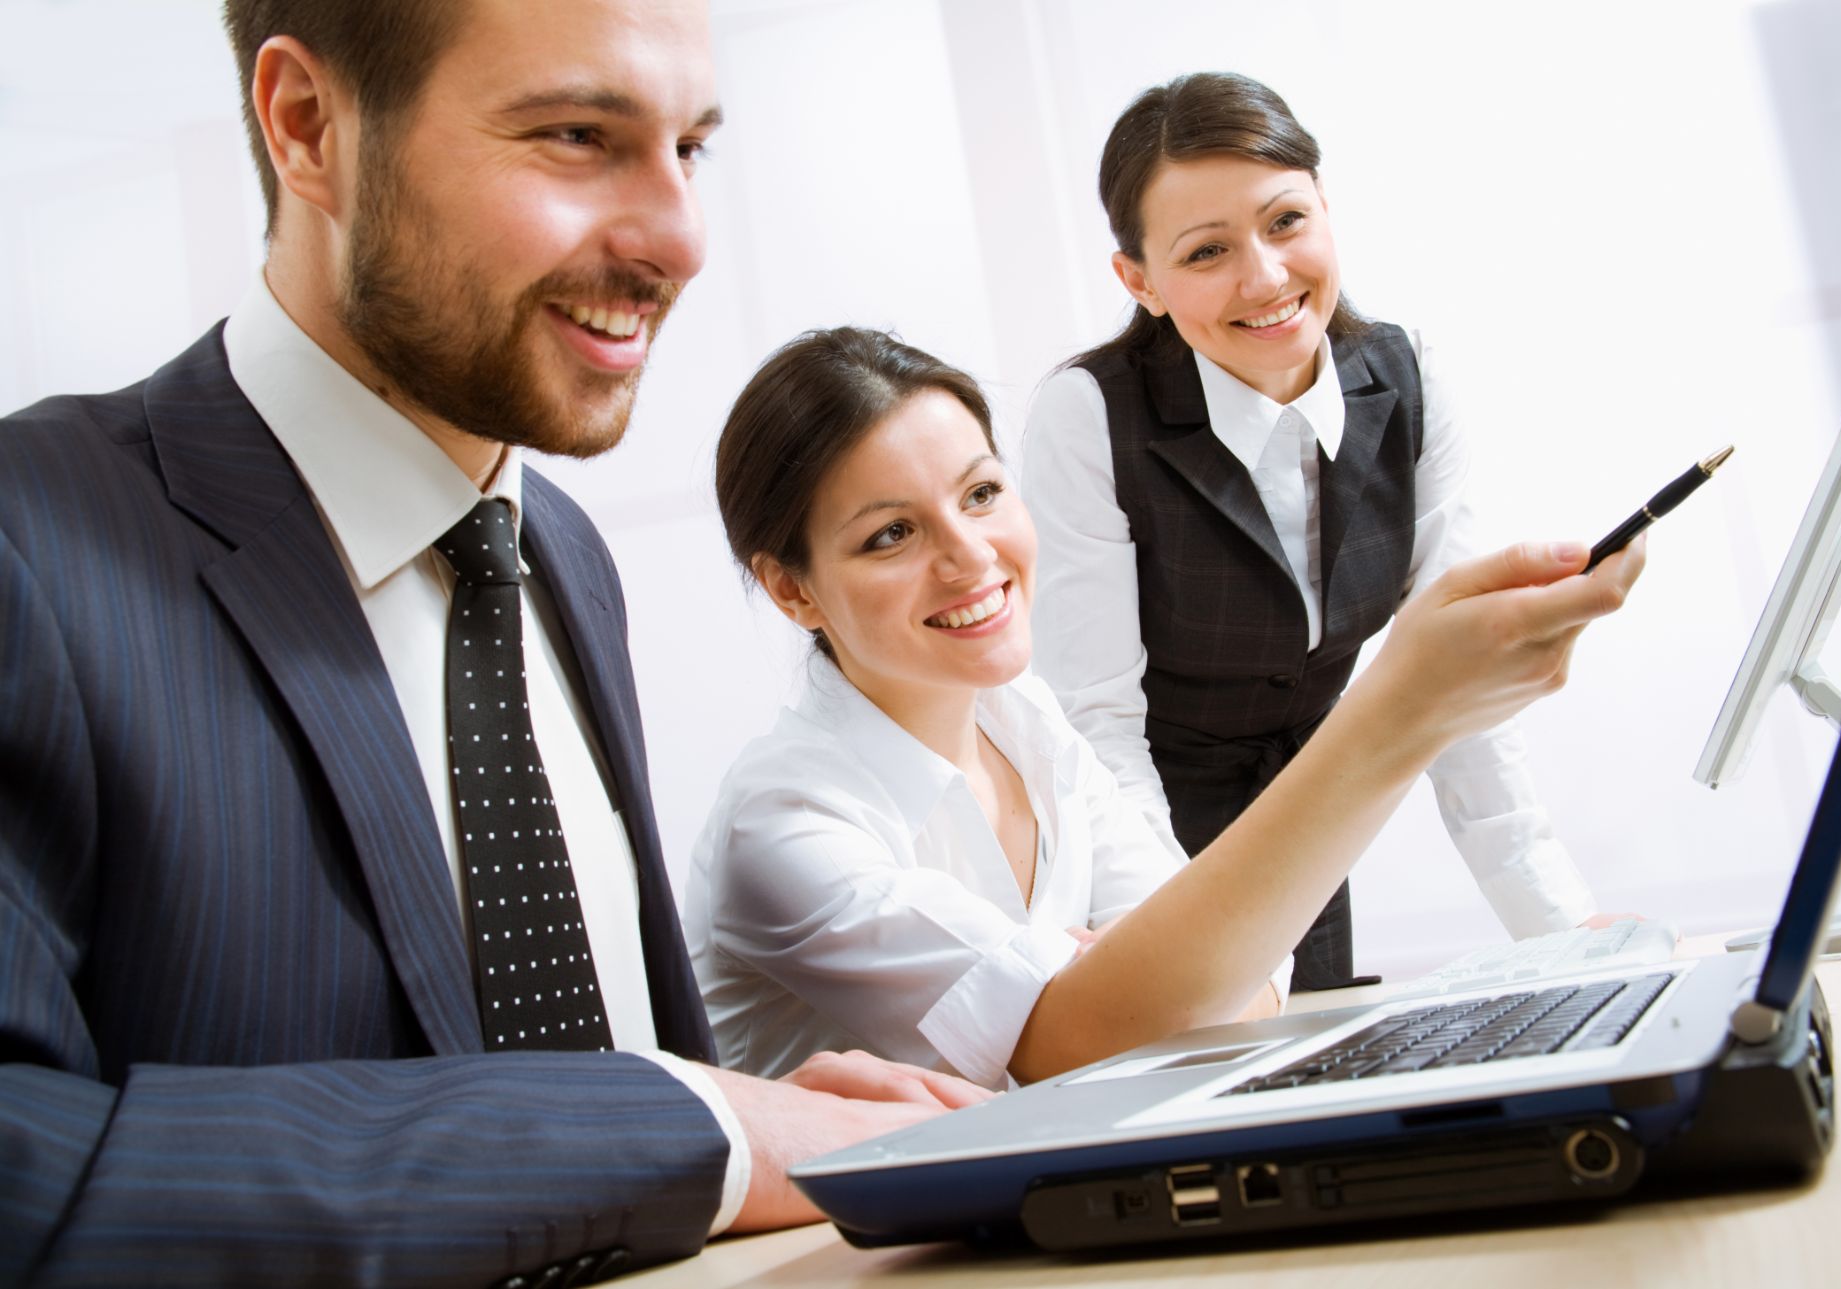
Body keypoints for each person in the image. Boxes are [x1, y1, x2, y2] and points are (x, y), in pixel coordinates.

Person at [0, 2, 988, 1284]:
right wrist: (685, 1131)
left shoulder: (563, 552)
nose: (680, 237)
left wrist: (741, 1118)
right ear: (309, 128)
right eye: (578, 135)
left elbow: (544, 1087)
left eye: (690, 147)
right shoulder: (32, 541)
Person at [684, 326, 1642, 1089]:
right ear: (793, 591)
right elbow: (1098, 1032)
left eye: (981, 492)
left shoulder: (1023, 717)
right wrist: (1401, 706)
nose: (971, 555)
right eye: (891, 533)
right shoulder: (786, 822)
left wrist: (1138, 977)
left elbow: (1245, 983)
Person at [1021, 72, 1628, 990]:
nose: (1264, 276)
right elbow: (1098, 721)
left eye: (1284, 222)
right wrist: (1185, 952)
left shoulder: (1408, 374)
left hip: (1307, 822)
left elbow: (1454, 678)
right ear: (1137, 280)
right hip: (1133, 846)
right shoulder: (1086, 416)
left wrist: (1561, 932)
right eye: (1205, 252)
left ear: (1325, 209)